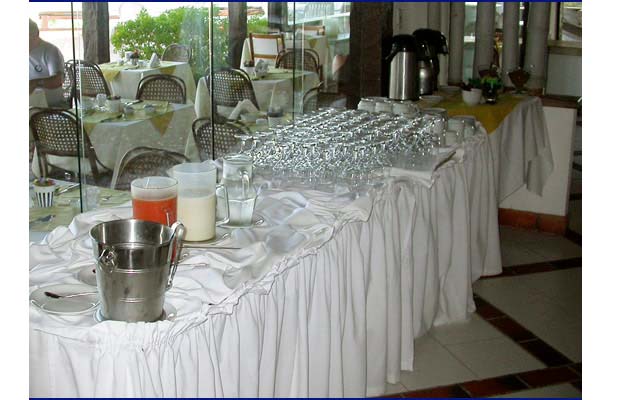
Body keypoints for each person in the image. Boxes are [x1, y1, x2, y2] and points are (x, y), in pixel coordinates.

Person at [29, 19, 65, 107]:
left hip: (50, 104)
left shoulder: (51, 51)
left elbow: (58, 80)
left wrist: (35, 83)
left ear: (36, 34)